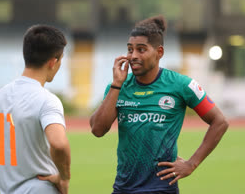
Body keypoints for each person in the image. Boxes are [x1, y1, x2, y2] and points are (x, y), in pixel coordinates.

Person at [90, 15, 229, 194]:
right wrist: (117, 84)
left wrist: (191, 164)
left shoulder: (181, 84)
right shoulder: (118, 86)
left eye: (141, 50)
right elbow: (98, 130)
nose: (133, 56)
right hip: (123, 188)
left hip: (161, 188)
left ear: (159, 52)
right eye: (130, 50)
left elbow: (220, 122)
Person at [0, 25, 71, 194]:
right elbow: (59, 144)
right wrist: (63, 178)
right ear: (53, 62)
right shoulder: (47, 100)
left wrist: (4, 175)